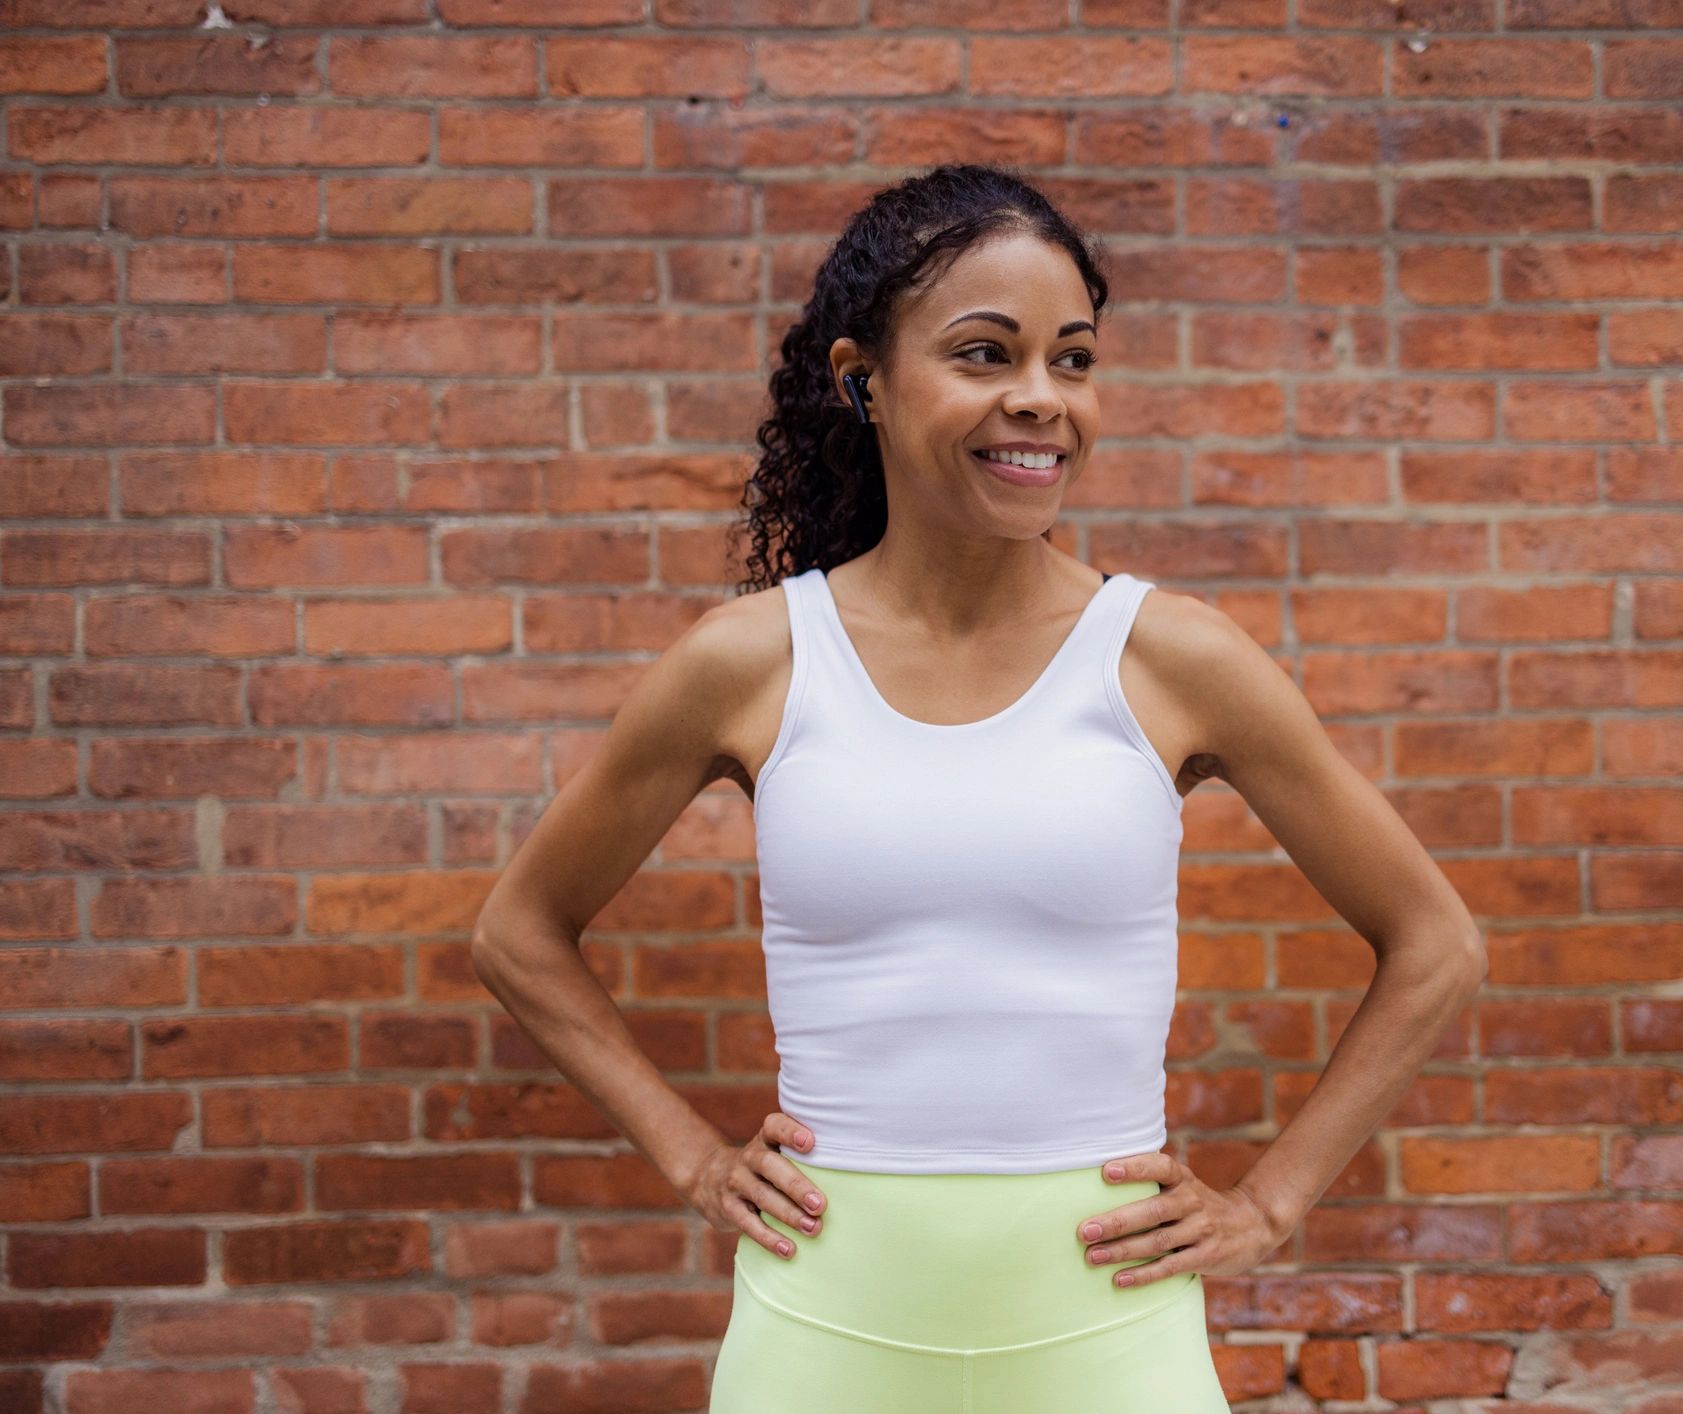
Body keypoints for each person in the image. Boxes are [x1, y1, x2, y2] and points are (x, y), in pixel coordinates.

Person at [471, 162, 1487, 1412]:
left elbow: (1433, 941)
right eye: (983, 354)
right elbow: (519, 931)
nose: (1039, 401)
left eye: (1071, 359)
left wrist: (1270, 1203)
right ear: (864, 383)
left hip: (1107, 1338)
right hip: (823, 1328)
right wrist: (689, 1157)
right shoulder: (753, 663)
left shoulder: (1171, 659)